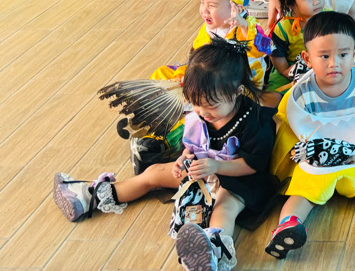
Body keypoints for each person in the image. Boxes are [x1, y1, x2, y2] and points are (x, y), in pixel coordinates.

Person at [54, 39, 279, 271]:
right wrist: (182, 159)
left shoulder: (255, 121)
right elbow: (192, 146)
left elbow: (253, 164)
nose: (202, 112)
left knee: (224, 208)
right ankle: (89, 197)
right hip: (202, 170)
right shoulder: (200, 115)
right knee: (153, 172)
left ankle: (212, 252)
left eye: (211, 106)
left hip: (239, 179)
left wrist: (216, 167)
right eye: (196, 104)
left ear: (237, 92)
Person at [267, 11, 355, 257]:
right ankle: (288, 225)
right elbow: (293, 129)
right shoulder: (301, 95)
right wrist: (307, 156)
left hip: (354, 152)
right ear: (307, 58)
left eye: (343, 54)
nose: (334, 63)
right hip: (316, 158)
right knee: (302, 192)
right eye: (324, 56)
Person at [151, 0, 271, 94]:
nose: (204, 10)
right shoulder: (208, 28)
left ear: (237, 9)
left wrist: (244, 26)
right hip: (207, 73)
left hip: (235, 81)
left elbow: (263, 49)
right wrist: (187, 74)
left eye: (212, 6)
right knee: (161, 73)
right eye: (202, 3)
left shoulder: (248, 25)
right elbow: (198, 54)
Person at [266, 0, 325, 91]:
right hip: (291, 66)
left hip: (322, 64)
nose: (317, 1)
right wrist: (286, 71)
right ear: (290, 4)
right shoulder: (283, 27)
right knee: (275, 93)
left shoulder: (329, 18)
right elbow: (276, 55)